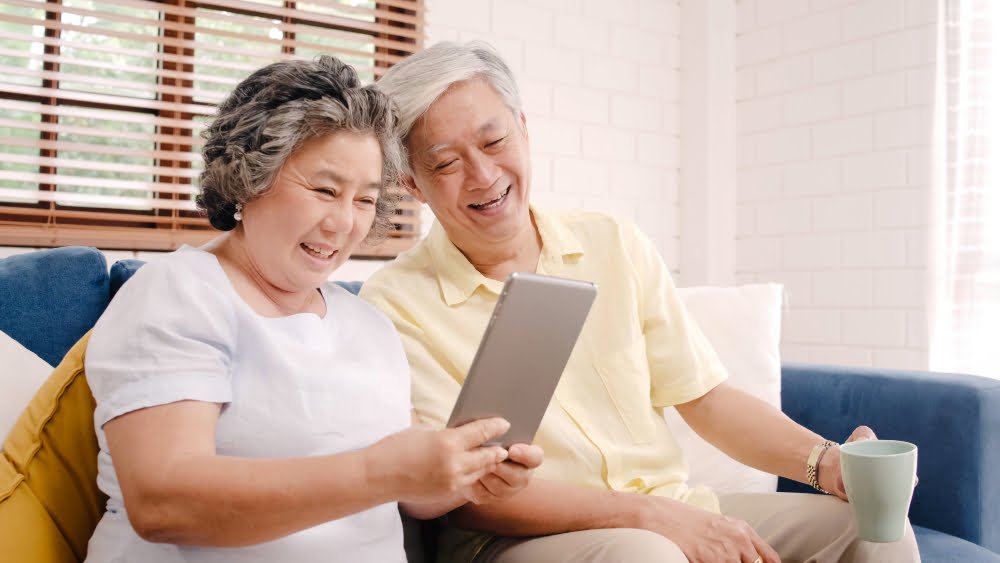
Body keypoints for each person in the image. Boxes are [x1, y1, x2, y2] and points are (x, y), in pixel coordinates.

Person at [360, 41, 921, 563]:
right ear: (412, 184)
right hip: (518, 540)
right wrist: (653, 518)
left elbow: (706, 400)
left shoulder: (613, 242)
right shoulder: (396, 303)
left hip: (674, 505)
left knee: (876, 531)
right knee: (648, 555)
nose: (482, 175)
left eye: (493, 141)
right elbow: (469, 492)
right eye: (445, 163)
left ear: (524, 130)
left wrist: (826, 463)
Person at [82, 55, 542, 562]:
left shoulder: (368, 325)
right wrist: (378, 471)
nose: (343, 223)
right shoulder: (180, 293)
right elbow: (163, 501)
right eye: (325, 190)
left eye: (365, 200)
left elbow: (414, 494)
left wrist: (466, 476)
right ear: (249, 176)